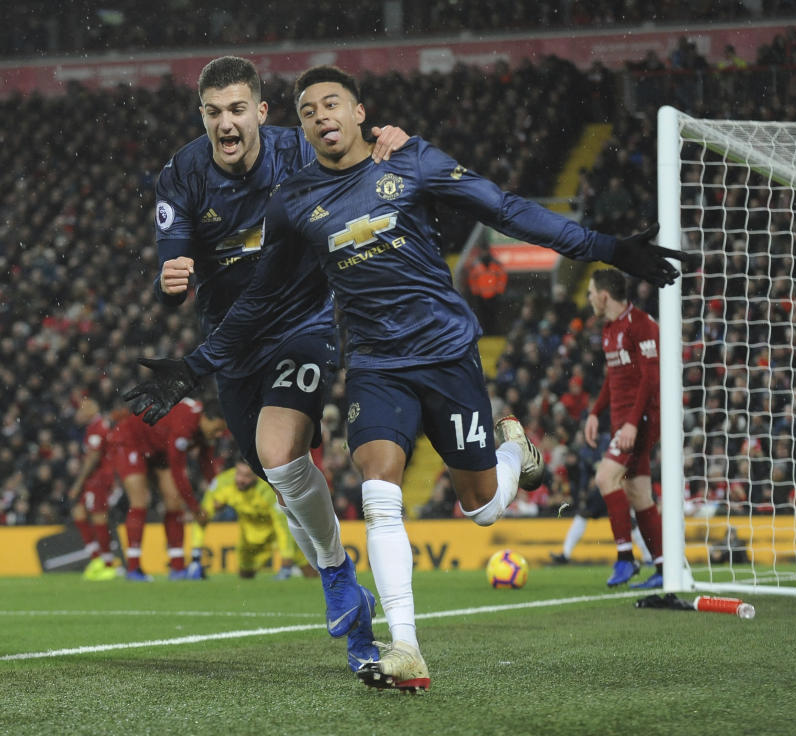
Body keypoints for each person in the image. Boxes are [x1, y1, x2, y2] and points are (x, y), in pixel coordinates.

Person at [124, 65, 686, 692]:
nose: (319, 117)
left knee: (481, 509)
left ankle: (511, 456)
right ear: (300, 126)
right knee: (377, 488)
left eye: (332, 104)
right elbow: (257, 298)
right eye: (308, 111)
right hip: (372, 361)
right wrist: (191, 366)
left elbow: (505, 210)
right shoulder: (293, 200)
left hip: (445, 353)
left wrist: (605, 247)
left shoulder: (411, 161)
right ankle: (407, 648)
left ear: (362, 111)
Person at [144, 56, 408, 671]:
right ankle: (345, 588)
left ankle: (340, 581)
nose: (226, 124)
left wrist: (394, 140)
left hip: (303, 325)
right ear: (202, 117)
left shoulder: (298, 150)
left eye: (237, 109)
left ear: (261, 111)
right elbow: (173, 263)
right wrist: (170, 276)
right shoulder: (181, 175)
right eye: (214, 113)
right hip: (231, 343)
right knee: (283, 487)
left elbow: (365, 149)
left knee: (279, 452)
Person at [583, 269, 665, 589]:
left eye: (591, 292)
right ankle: (663, 567)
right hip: (623, 420)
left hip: (641, 419)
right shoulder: (609, 329)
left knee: (605, 477)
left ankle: (625, 558)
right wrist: (595, 412)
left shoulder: (640, 324)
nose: (589, 298)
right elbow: (613, 377)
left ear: (604, 295)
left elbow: (650, 377)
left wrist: (632, 422)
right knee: (639, 494)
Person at [113, 398, 225, 581]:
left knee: (174, 502)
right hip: (132, 440)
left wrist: (219, 495)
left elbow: (207, 463)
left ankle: (177, 567)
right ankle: (133, 568)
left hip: (160, 448)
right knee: (140, 500)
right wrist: (195, 509)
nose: (219, 434)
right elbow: (178, 471)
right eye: (217, 428)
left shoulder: (205, 429)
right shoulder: (185, 424)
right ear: (205, 418)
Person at [190, 459, 315, 579]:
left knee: (310, 571)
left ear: (256, 475)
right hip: (250, 540)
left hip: (278, 534)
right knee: (245, 576)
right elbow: (202, 519)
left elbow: (281, 524)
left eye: (246, 476)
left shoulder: (268, 488)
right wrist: (196, 557)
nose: (240, 479)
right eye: (238, 473)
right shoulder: (223, 482)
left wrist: (286, 557)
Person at [67, 398, 123, 581]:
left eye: (83, 408)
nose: (79, 413)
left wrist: (77, 484)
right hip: (94, 479)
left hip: (100, 479)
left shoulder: (98, 426)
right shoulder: (94, 426)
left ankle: (107, 564)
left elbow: (93, 458)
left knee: (99, 517)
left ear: (93, 408)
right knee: (79, 512)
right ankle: (97, 558)